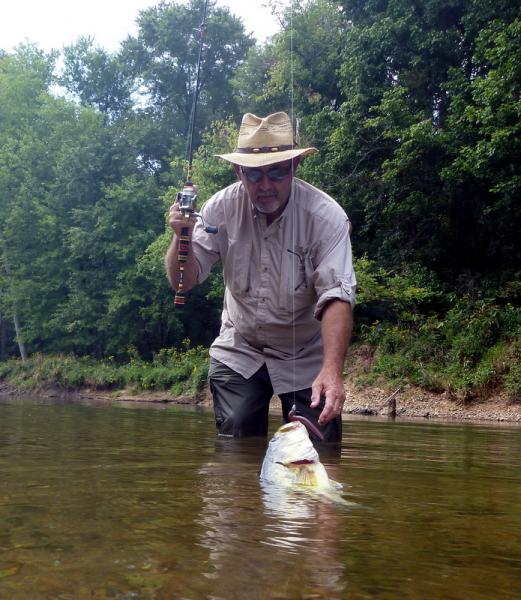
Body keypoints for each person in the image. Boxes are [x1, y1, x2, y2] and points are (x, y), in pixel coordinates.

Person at [165, 112, 356, 442]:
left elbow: (337, 295)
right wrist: (180, 236)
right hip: (241, 346)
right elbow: (184, 282)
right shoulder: (219, 209)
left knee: (315, 452)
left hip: (305, 352)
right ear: (239, 171)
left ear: (294, 168)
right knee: (235, 439)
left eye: (277, 173)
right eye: (254, 175)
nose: (265, 185)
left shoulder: (326, 218)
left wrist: (332, 370)